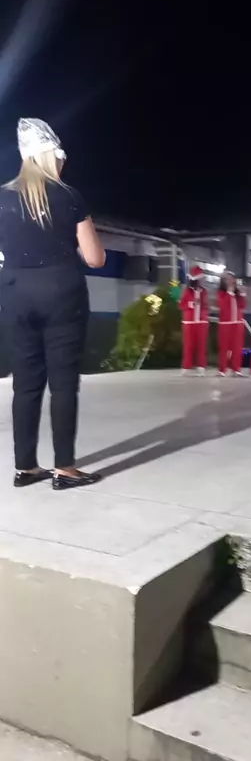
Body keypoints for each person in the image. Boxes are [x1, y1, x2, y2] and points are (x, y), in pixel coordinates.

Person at [0, 119, 105, 490]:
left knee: (25, 384)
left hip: (14, 292)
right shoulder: (68, 196)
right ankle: (65, 468)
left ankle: (26, 467)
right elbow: (95, 258)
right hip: (62, 293)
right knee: (62, 383)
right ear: (52, 156)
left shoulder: (2, 198)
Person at [180, 265, 209, 375]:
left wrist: (204, 309)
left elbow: (206, 305)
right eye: (201, 279)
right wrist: (191, 304)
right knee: (189, 345)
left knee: (202, 345)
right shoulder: (187, 291)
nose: (203, 281)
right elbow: (182, 305)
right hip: (190, 322)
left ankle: (201, 366)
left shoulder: (204, 291)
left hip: (201, 322)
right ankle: (186, 366)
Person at [217, 270, 246, 376]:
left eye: (232, 279)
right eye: (227, 279)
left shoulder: (237, 293)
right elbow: (223, 306)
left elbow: (242, 306)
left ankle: (236, 369)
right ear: (224, 281)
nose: (230, 281)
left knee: (237, 347)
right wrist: (229, 293)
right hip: (225, 323)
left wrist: (242, 295)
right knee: (224, 347)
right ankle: (222, 369)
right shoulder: (221, 293)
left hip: (237, 323)